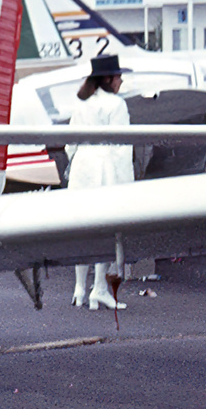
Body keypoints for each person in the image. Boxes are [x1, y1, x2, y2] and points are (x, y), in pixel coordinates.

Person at [67, 55, 133, 310]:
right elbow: (121, 145)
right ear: (107, 79)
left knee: (82, 229)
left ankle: (79, 289)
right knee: (107, 230)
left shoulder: (81, 103)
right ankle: (100, 290)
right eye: (118, 76)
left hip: (83, 166)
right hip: (106, 166)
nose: (121, 80)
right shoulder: (116, 105)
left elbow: (69, 142)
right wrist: (126, 182)